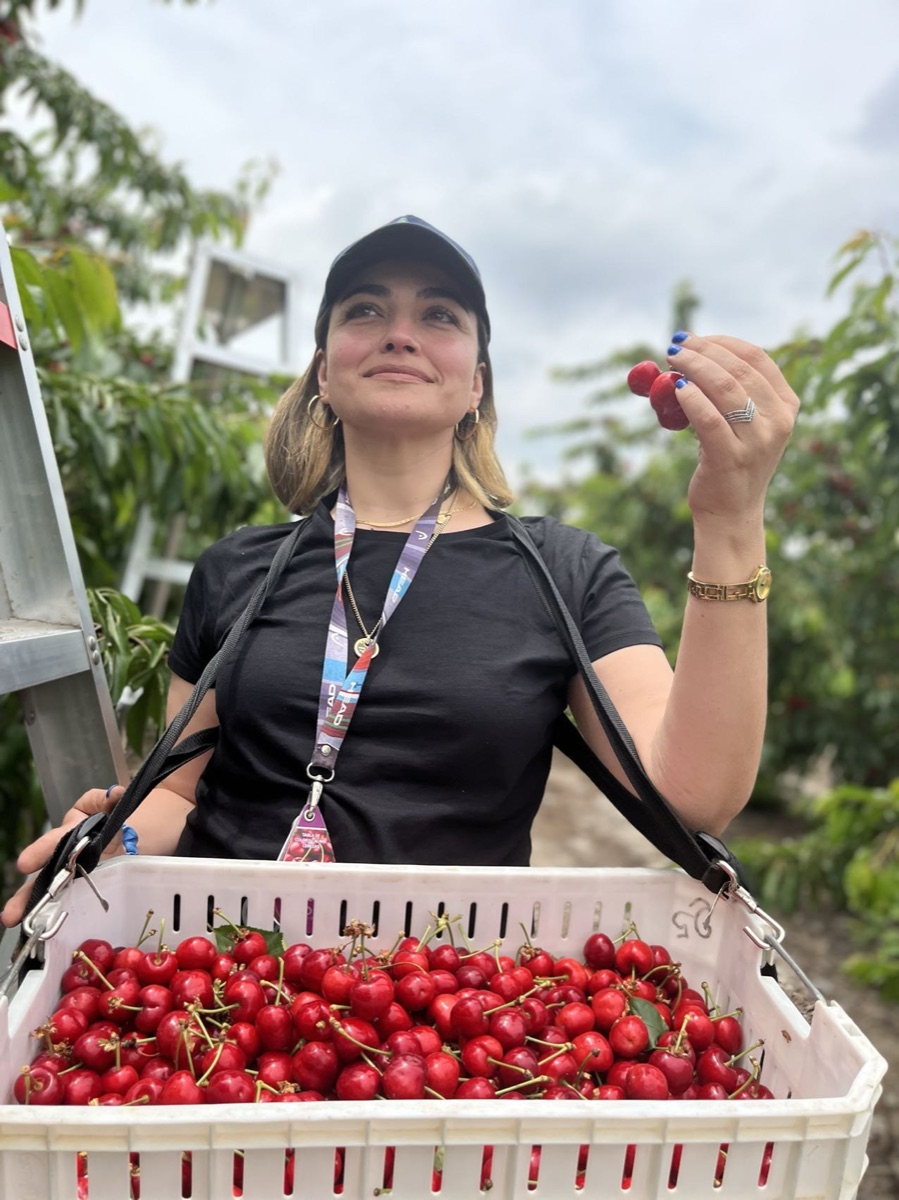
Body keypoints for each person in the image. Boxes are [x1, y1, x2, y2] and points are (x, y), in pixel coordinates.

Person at [1, 215, 798, 927]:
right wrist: (122, 833)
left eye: (439, 315)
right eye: (365, 310)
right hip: (223, 985)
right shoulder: (237, 568)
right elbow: (181, 794)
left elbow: (692, 794)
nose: (399, 332)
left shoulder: (564, 573)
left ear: (475, 384)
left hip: (444, 1007)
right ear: (323, 372)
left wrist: (729, 519)